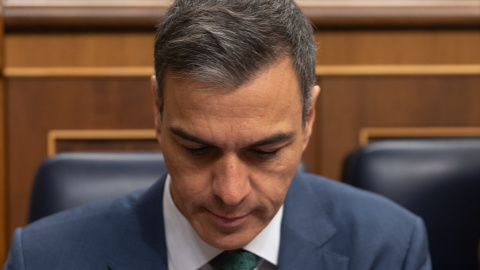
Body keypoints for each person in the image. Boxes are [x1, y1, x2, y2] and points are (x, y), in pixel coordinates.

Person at [4, 0, 431, 269]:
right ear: (158, 110)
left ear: (308, 119)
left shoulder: (389, 249)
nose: (230, 193)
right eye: (197, 149)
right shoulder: (43, 258)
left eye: (264, 151)